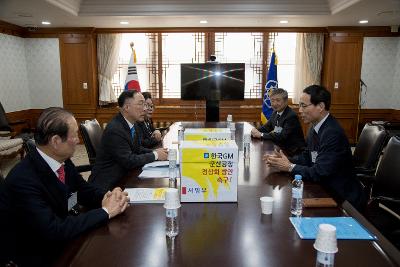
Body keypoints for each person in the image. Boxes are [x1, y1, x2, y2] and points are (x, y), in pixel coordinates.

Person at [0, 107, 129, 267]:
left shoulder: (62, 160)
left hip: (63, 234)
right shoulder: (23, 180)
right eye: (74, 134)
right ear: (55, 141)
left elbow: (84, 191)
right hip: (36, 253)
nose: (77, 140)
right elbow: (54, 230)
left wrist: (108, 196)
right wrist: (106, 211)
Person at [264, 85, 366, 209]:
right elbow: (308, 156)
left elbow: (319, 172)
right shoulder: (314, 126)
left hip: (341, 197)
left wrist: (289, 167)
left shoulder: (332, 133)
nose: (300, 110)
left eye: (304, 105)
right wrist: (285, 160)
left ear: (321, 107)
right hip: (323, 188)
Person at [89, 90, 168, 191]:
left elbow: (137, 148)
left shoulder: (133, 124)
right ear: (126, 107)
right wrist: (155, 155)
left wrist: (156, 152)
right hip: (107, 187)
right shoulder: (115, 129)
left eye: (145, 104)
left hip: (124, 176)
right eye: (141, 104)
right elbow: (128, 160)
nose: (145, 109)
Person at [251, 88, 306, 156]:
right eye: (272, 100)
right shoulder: (275, 113)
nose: (274, 103)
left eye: (278, 100)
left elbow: (282, 136)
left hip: (295, 153)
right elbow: (266, 128)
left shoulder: (291, 116)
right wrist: (254, 131)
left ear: (286, 101)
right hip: (281, 149)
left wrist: (261, 135)